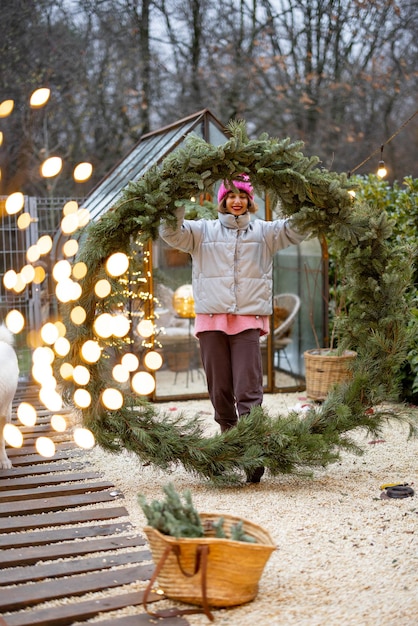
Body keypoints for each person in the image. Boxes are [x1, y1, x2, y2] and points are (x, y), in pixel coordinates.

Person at [159, 175, 307, 482]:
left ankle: (253, 450)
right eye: (230, 196)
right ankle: (229, 442)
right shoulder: (202, 232)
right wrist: (177, 200)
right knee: (220, 389)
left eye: (242, 195)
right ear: (222, 200)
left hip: (247, 322)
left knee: (248, 387)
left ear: (250, 200)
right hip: (211, 321)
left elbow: (296, 228)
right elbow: (170, 232)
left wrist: (299, 194)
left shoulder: (265, 232)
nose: (236, 201)